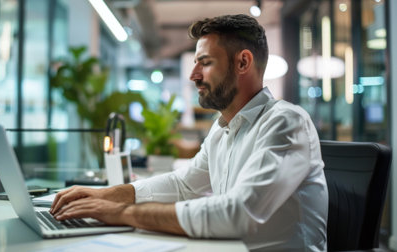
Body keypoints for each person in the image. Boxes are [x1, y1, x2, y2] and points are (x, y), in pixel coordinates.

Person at [50, 14, 328, 251]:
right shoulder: (222, 130)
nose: (193, 75)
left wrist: (122, 214)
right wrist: (108, 195)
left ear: (243, 63)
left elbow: (238, 213)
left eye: (205, 62)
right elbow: (184, 186)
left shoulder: (286, 122)